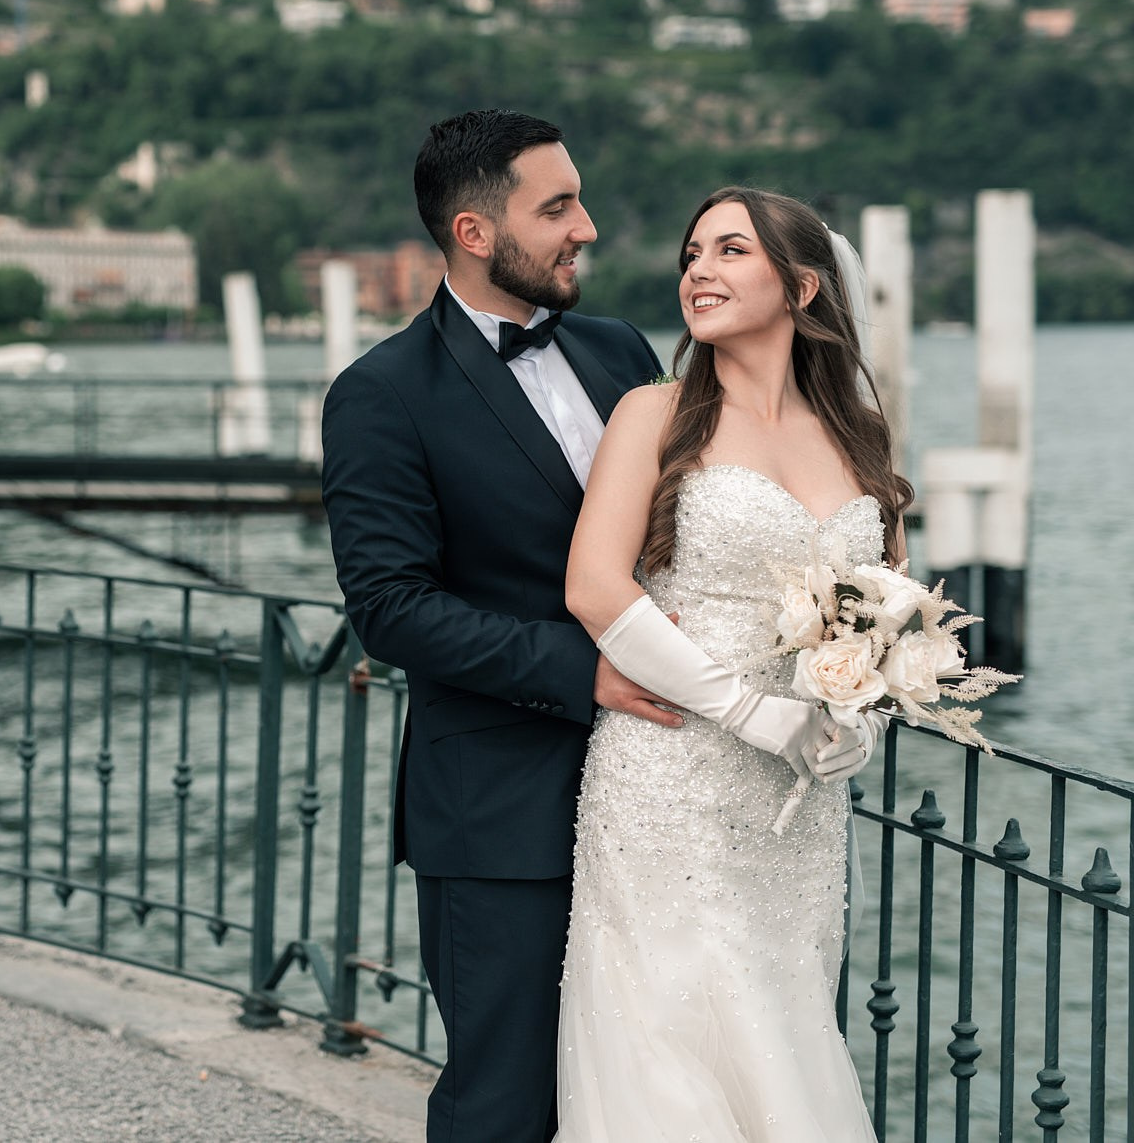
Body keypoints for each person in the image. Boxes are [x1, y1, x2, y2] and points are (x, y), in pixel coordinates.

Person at [320, 109, 671, 1142]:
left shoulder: (621, 352)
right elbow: (388, 608)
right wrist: (587, 672)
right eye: (556, 206)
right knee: (506, 1102)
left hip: (660, 789)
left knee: (644, 1081)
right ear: (474, 233)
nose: (587, 227)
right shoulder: (380, 394)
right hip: (500, 810)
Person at [555, 186, 903, 1140]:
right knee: (672, 1057)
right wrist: (751, 712)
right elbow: (595, 588)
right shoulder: (654, 413)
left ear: (800, 286)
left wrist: (855, 720)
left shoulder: (858, 437)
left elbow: (878, 612)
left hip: (797, 810)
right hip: (670, 781)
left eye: (730, 251)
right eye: (691, 253)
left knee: (785, 1038)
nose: (698, 270)